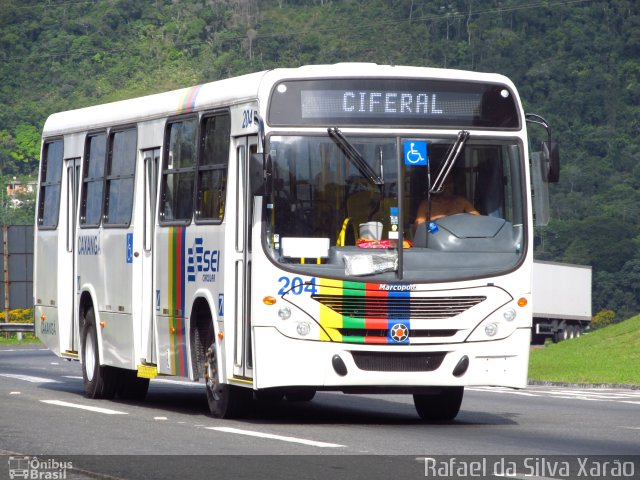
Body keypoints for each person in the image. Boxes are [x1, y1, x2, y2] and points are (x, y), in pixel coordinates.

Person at [413, 175, 479, 232]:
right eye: (444, 183)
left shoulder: (461, 202)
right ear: (437, 185)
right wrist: (434, 230)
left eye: (450, 182)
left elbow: (478, 220)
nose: (447, 186)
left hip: (460, 239)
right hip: (436, 240)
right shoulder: (426, 204)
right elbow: (419, 226)